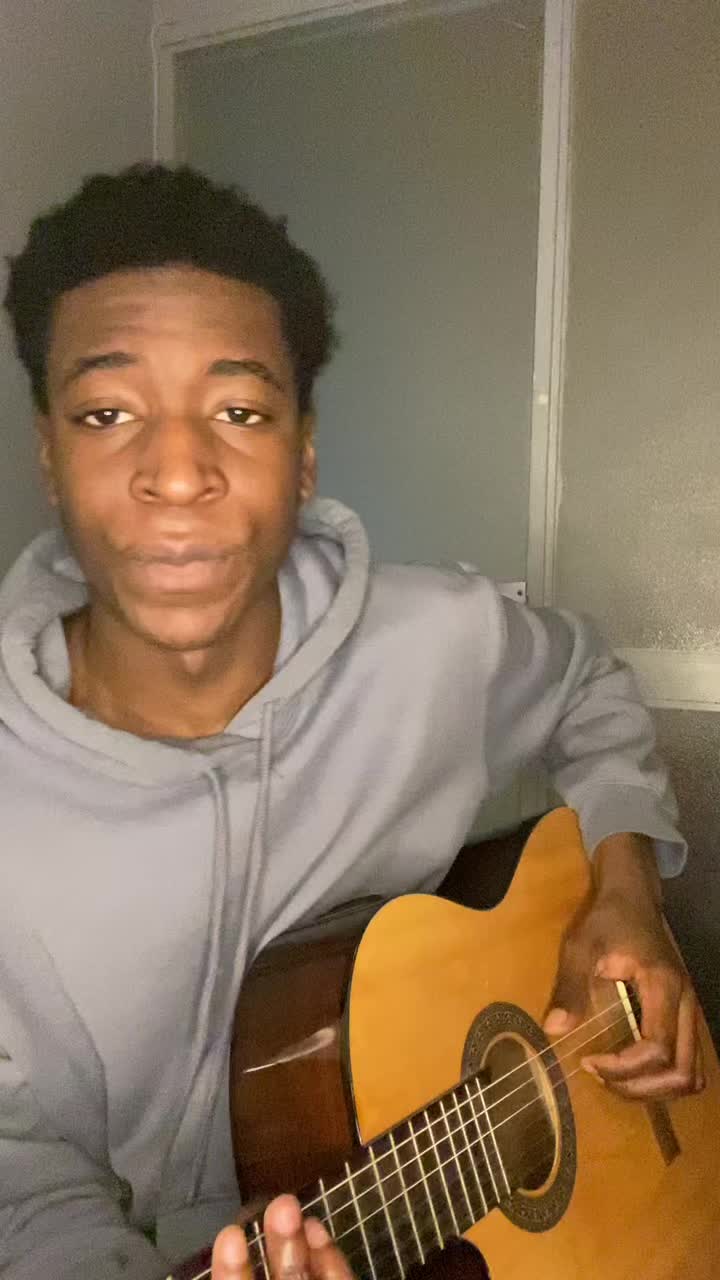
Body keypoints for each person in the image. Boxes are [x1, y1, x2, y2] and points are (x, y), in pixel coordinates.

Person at [0, 164, 701, 1280]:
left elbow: (586, 683)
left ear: (305, 452)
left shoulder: (433, 643)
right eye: (108, 413)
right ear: (48, 453)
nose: (177, 473)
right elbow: (19, 1181)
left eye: (239, 412)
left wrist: (627, 894)